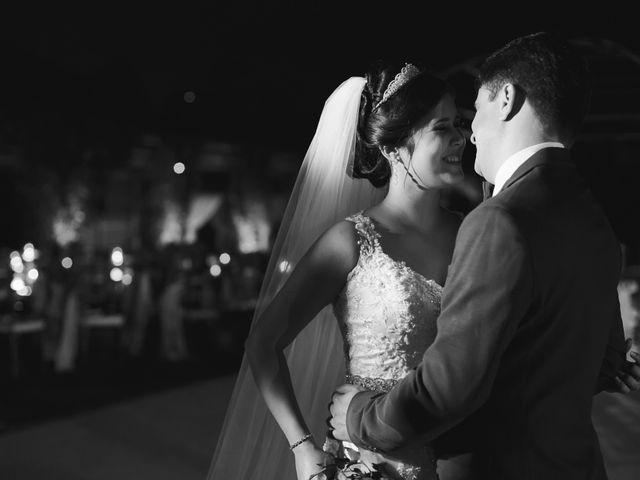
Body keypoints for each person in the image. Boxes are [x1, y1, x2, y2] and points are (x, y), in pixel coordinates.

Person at [329, 32, 640, 479]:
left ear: (507, 99)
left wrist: (359, 417)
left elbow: (449, 389)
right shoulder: (593, 217)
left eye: (475, 108)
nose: (470, 130)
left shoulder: (499, 220)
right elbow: (604, 360)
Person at [207, 61, 467, 480]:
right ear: (393, 147)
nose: (461, 138)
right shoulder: (351, 242)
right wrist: (300, 446)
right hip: (375, 464)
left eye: (459, 123)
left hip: (464, 457)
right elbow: (263, 343)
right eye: (442, 128)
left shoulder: (472, 233)